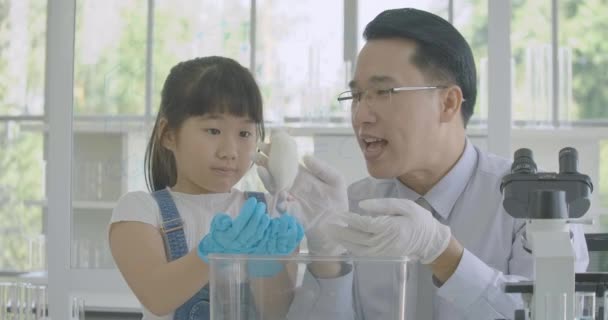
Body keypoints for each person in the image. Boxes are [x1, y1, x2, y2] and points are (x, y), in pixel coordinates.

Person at [268, 8, 589, 320]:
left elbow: (555, 313)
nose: (360, 115)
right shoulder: (352, 208)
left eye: (383, 92)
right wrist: (329, 259)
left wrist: (443, 253)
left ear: (448, 103)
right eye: (357, 96)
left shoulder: (533, 206)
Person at [108, 56, 307, 320]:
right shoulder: (139, 211)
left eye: (244, 134)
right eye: (213, 130)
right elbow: (157, 296)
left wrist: (267, 265)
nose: (229, 152)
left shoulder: (270, 214)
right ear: (168, 134)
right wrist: (213, 252)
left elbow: (276, 313)